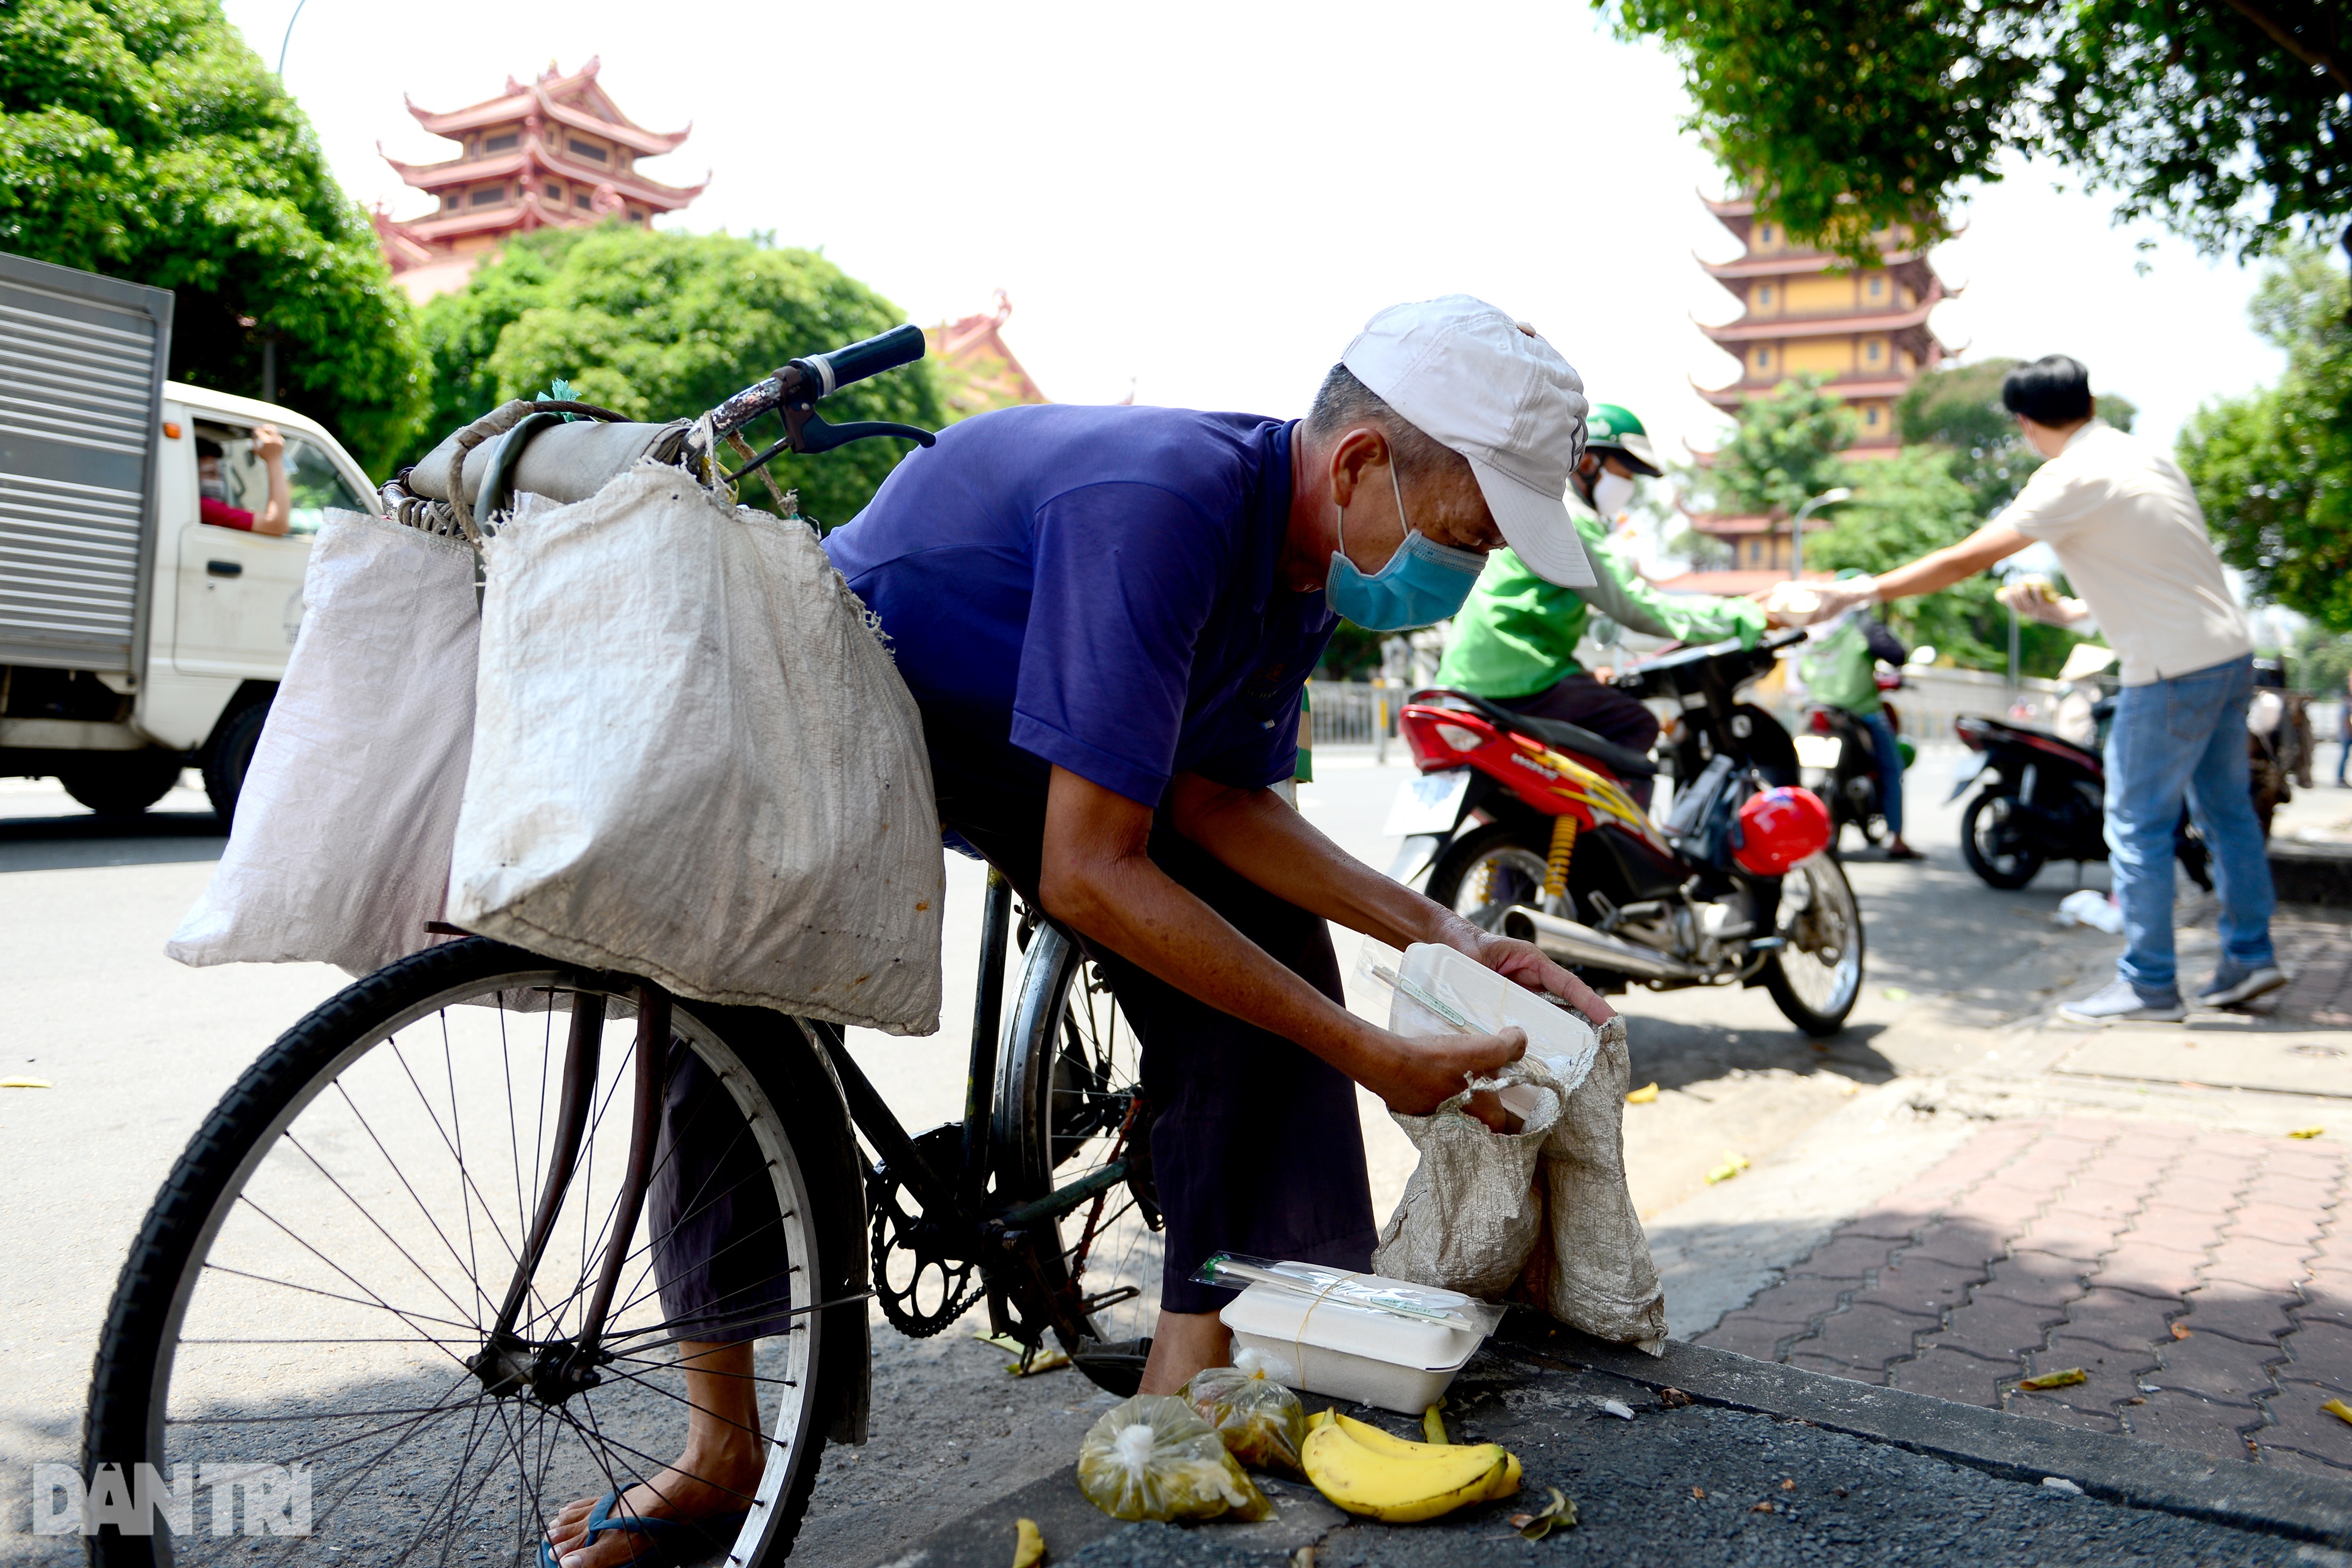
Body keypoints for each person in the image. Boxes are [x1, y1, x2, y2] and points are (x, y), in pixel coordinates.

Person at [540, 296, 1620, 1567]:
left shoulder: (1308, 563)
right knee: (724, 992)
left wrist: (1440, 931)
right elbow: (1092, 870)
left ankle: (1184, 1371)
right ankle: (721, 1444)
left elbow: (1217, 791)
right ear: (1361, 462)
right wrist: (1363, 1054)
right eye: (1465, 532)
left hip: (1045, 744)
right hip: (861, 694)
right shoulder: (1159, 504)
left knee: (1262, 942)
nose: (1468, 569)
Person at [1809, 355, 2284, 1024]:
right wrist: (2058, 614)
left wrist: (1861, 590)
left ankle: (2148, 984)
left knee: (2135, 825)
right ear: (2087, 402)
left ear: (2026, 424)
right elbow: (2158, 578)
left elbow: (1969, 557)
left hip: (2170, 670)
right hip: (2229, 656)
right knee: (2226, 814)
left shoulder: (2068, 475)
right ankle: (2249, 959)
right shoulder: (2145, 458)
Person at [1432, 402, 1769, 806]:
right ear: (1588, 462)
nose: (1628, 488)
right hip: (1524, 678)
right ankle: (1607, 860)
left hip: (1463, 679)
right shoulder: (1571, 519)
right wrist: (1737, 616)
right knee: (1636, 723)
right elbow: (1635, 605)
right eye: (1625, 474)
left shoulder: (1531, 505)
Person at [1798, 572, 1922, 859]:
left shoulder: (1815, 625)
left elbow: (1802, 674)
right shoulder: (1861, 623)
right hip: (1860, 711)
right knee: (1893, 768)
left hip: (1816, 711)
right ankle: (1897, 839)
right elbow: (1896, 653)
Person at [196, 427, 292, 535]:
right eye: (210, 474)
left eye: (220, 475)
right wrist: (274, 459)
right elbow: (277, 524)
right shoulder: (205, 507)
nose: (218, 481)